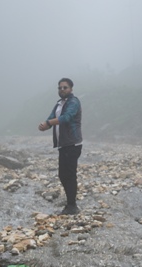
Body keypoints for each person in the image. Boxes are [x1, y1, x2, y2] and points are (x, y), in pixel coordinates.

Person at [38, 78, 83, 215]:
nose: (62, 90)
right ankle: (70, 203)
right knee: (63, 175)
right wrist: (44, 125)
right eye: (60, 88)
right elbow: (51, 118)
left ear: (71, 89)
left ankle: (72, 206)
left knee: (69, 174)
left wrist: (49, 123)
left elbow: (66, 117)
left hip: (72, 143)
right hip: (63, 144)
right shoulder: (59, 104)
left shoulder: (74, 102)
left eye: (65, 87)